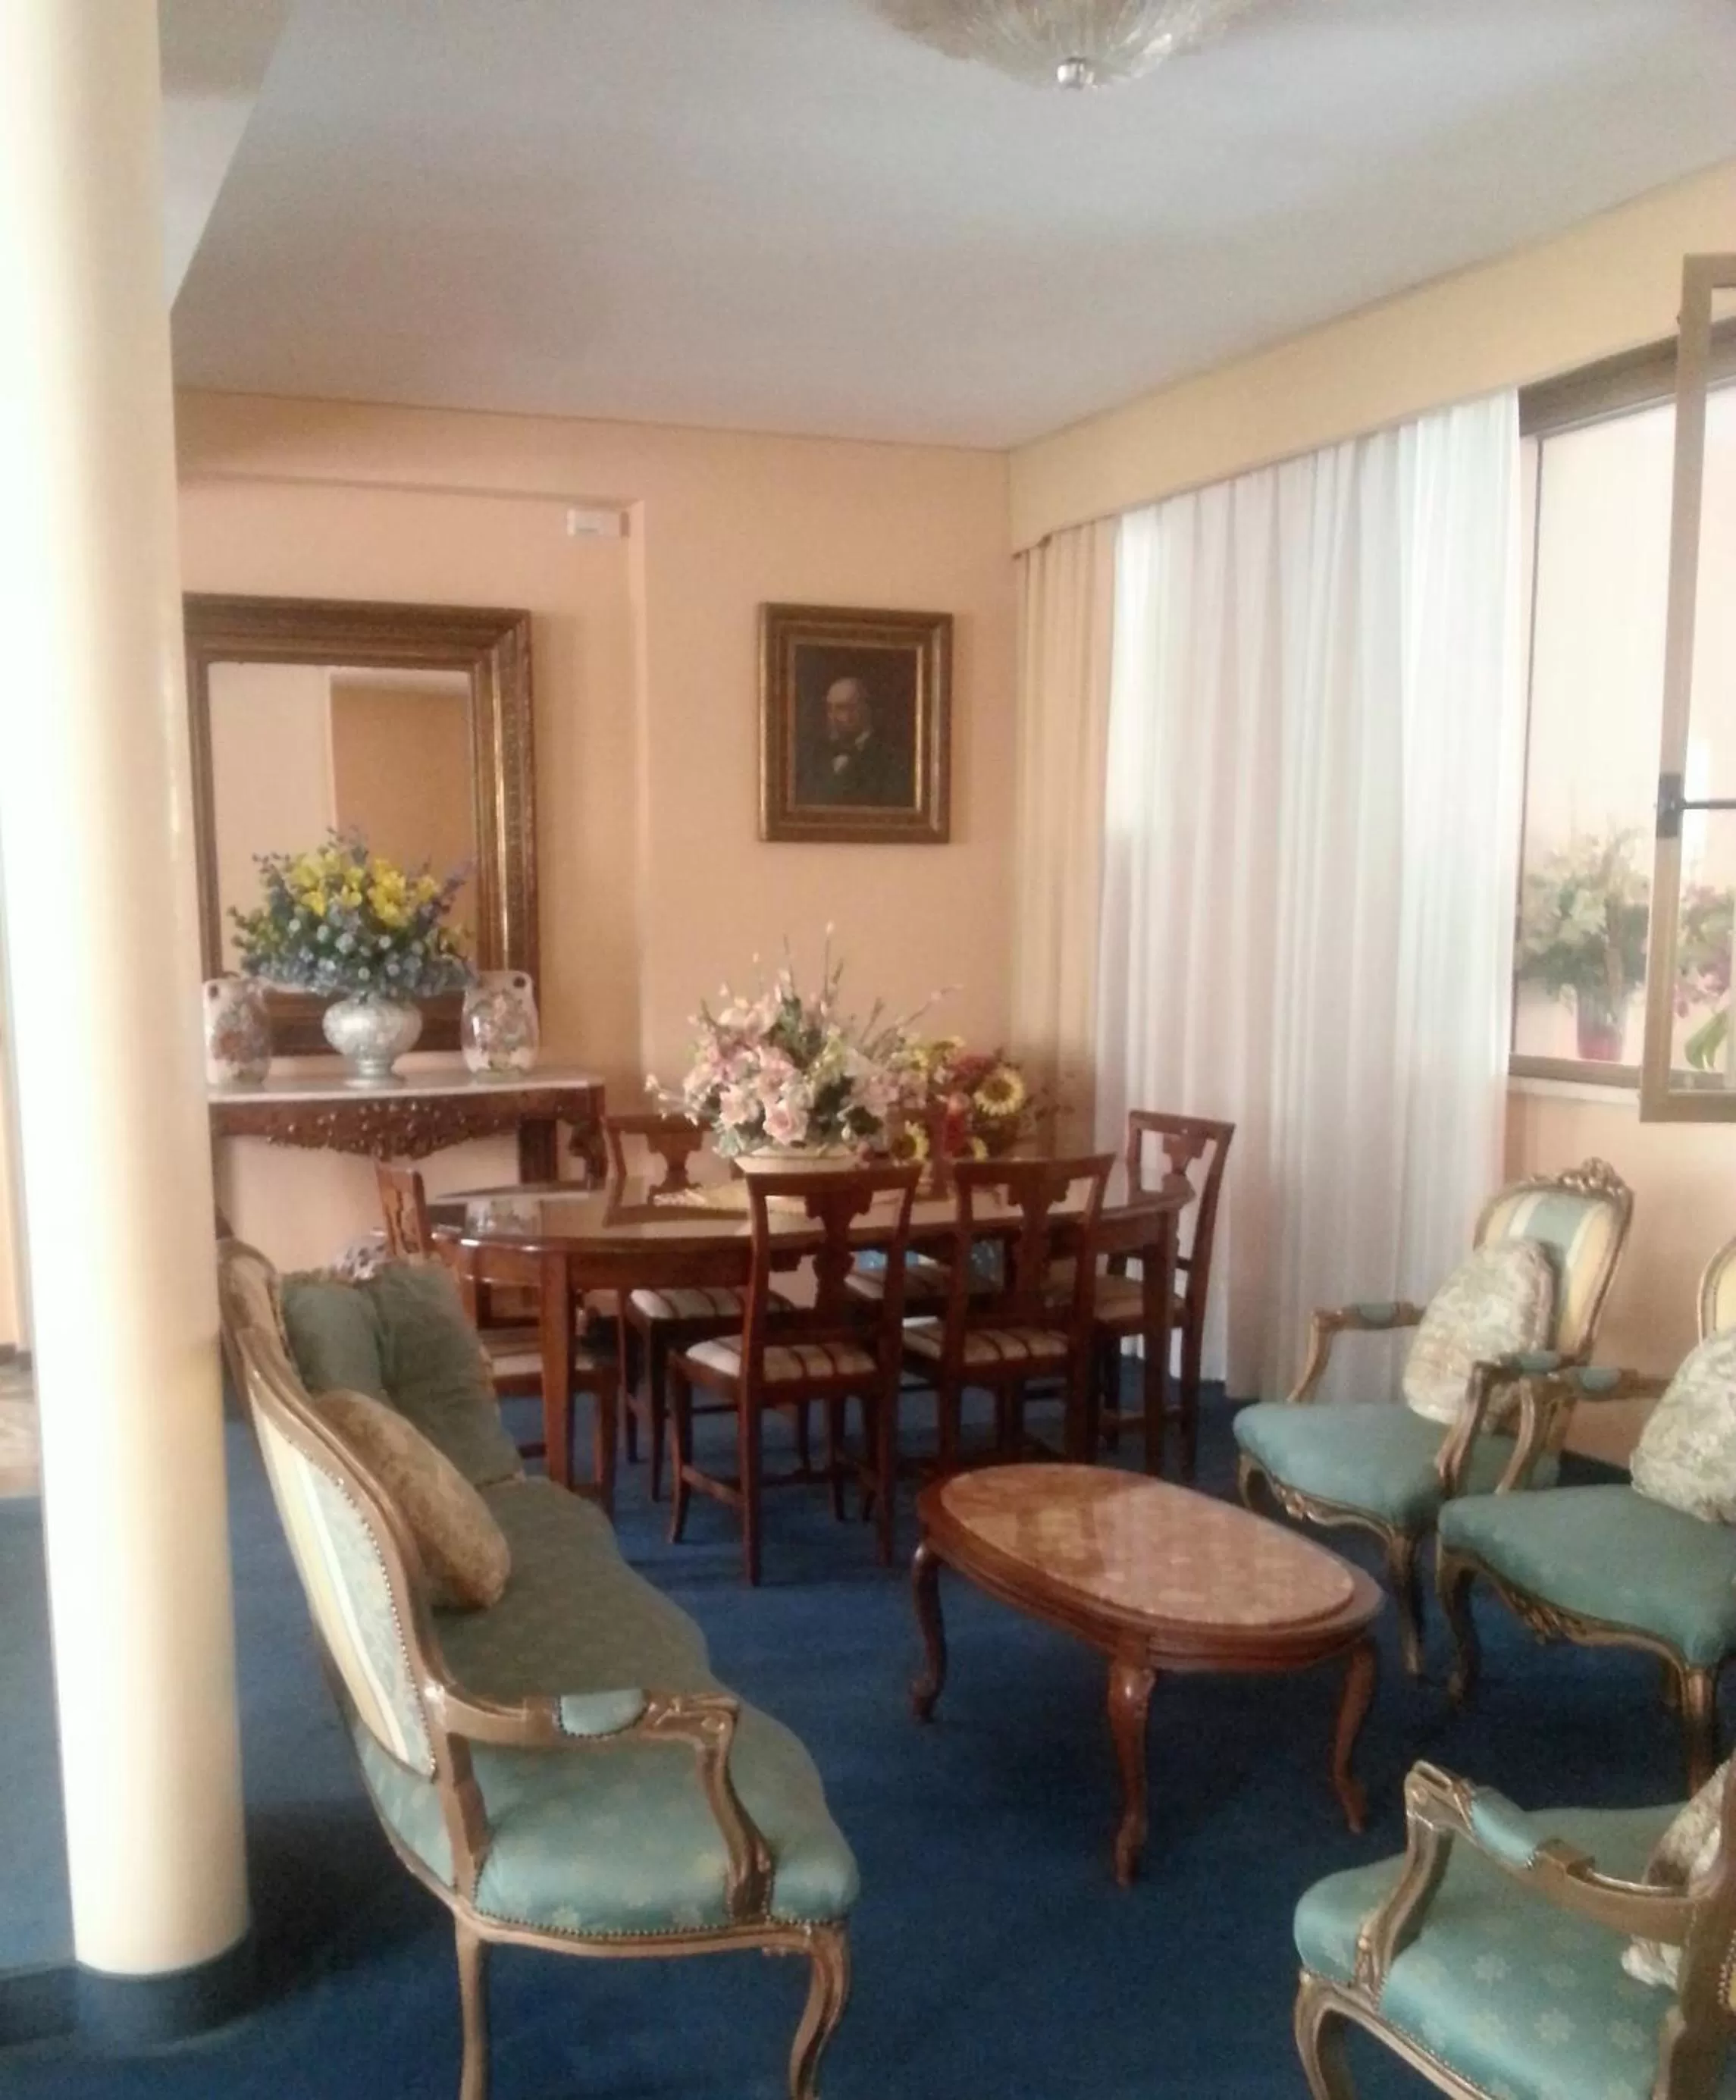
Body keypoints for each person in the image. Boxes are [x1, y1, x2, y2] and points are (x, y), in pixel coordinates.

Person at [799, 675, 910, 807]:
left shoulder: (892, 759)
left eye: (842, 708)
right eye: (829, 709)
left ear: (864, 709)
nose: (833, 717)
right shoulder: (813, 755)